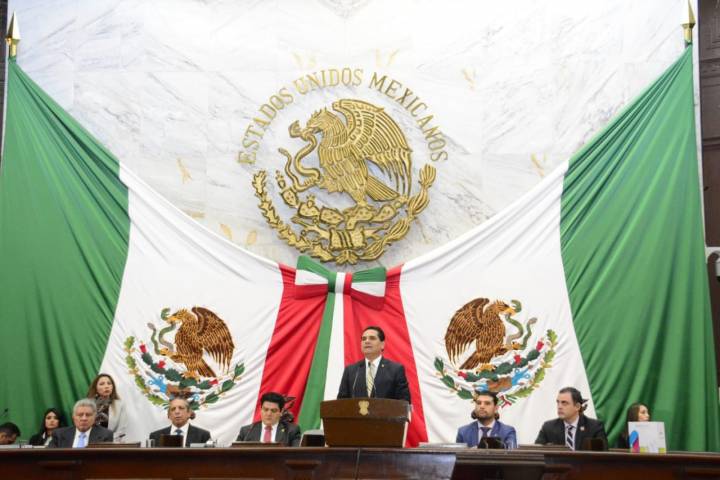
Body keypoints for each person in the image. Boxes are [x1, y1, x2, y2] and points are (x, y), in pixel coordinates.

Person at [337, 326, 411, 402]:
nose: (367, 341)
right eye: (364, 339)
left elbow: (404, 402)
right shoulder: (351, 370)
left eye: (372, 338)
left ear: (382, 344)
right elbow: (341, 402)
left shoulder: (395, 370)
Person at [535, 387, 607, 450]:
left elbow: (602, 455)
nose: (559, 407)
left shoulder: (594, 427)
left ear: (577, 407)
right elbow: (537, 452)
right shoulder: (548, 427)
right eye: (558, 402)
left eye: (564, 403)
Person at [236, 392, 301, 446]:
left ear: (281, 412)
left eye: (273, 410)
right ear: (261, 410)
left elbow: (296, 454)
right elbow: (235, 453)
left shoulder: (291, 431)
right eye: (265, 409)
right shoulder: (247, 431)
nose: (269, 414)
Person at [48, 399, 114, 448]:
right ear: (73, 417)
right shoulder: (59, 435)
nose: (84, 418)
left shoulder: (105, 435)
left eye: (88, 415)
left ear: (94, 417)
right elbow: (49, 456)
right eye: (80, 415)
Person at [87, 373, 128, 440]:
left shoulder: (120, 404)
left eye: (109, 383)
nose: (106, 386)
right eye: (102, 384)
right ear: (96, 388)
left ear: (112, 387)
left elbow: (122, 429)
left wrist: (107, 439)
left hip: (112, 442)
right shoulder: (87, 404)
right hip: (90, 441)